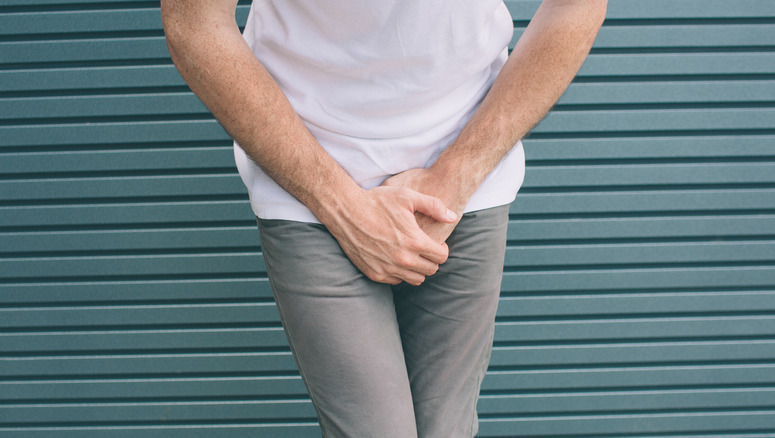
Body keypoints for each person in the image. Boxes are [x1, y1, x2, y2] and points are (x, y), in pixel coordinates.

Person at [161, 0, 606, 436]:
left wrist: (454, 178)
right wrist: (341, 205)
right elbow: (195, 24)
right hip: (311, 168)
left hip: (465, 163)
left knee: (446, 429)